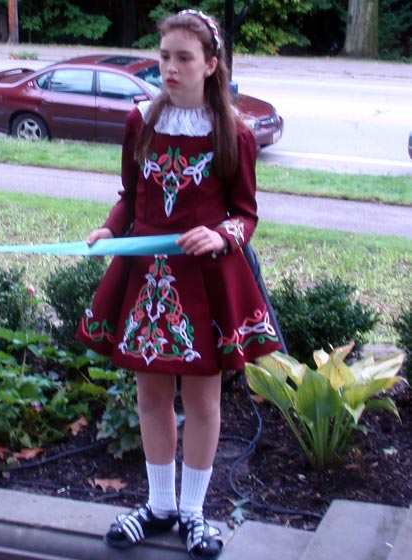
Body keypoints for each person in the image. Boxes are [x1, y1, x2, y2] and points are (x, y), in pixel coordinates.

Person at [76, 9, 282, 559]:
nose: (170, 67)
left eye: (184, 58)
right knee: (151, 395)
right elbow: (129, 195)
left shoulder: (232, 131)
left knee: (203, 399)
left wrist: (220, 236)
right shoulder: (139, 121)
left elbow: (245, 213)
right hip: (146, 280)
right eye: (164, 56)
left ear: (211, 65)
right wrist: (111, 228)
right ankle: (160, 505)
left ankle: (193, 511)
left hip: (204, 285)